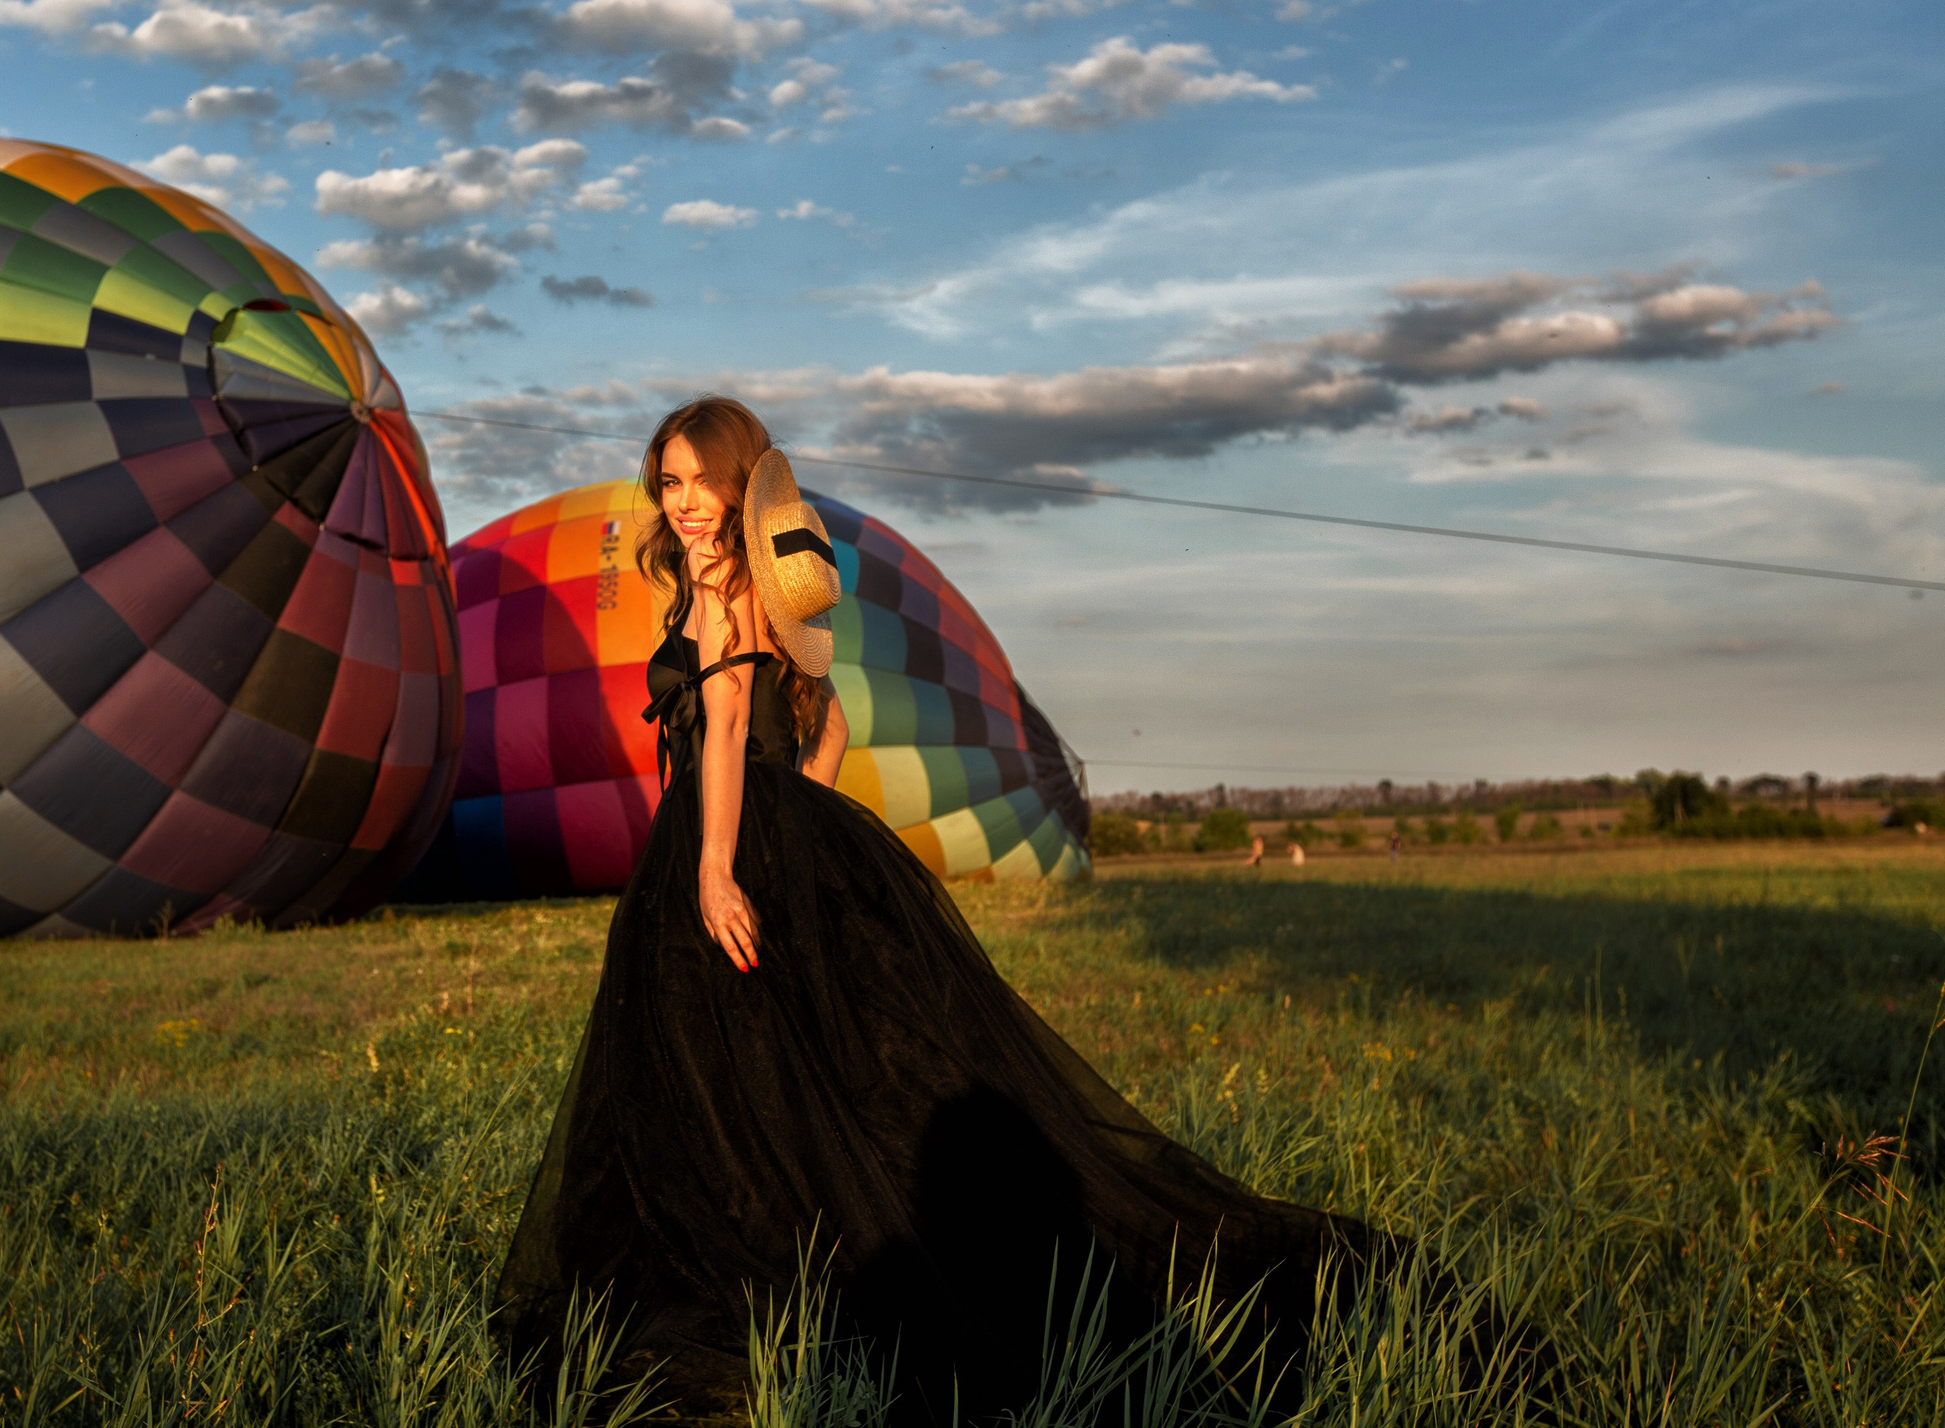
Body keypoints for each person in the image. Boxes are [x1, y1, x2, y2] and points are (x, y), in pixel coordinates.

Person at [494, 396, 1369, 1423]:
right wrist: (796, 825)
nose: (685, 503)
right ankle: (786, 1250)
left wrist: (719, 863)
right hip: (752, 834)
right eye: (669, 481)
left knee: (741, 1064)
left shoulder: (729, 594)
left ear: (740, 487)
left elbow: (727, 727)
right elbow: (823, 728)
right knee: (784, 1063)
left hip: (719, 843)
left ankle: (774, 1268)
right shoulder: (743, 592)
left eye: (703, 482)